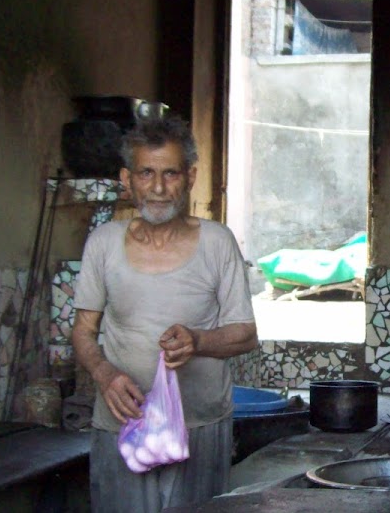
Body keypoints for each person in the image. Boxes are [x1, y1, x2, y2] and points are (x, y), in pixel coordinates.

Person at [72, 116, 258, 512]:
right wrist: (105, 375)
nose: (158, 189)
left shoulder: (217, 242)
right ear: (127, 179)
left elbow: (245, 334)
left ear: (190, 177)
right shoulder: (103, 243)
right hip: (123, 421)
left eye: (170, 174)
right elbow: (83, 333)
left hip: (199, 425)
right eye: (146, 173)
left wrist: (199, 340)